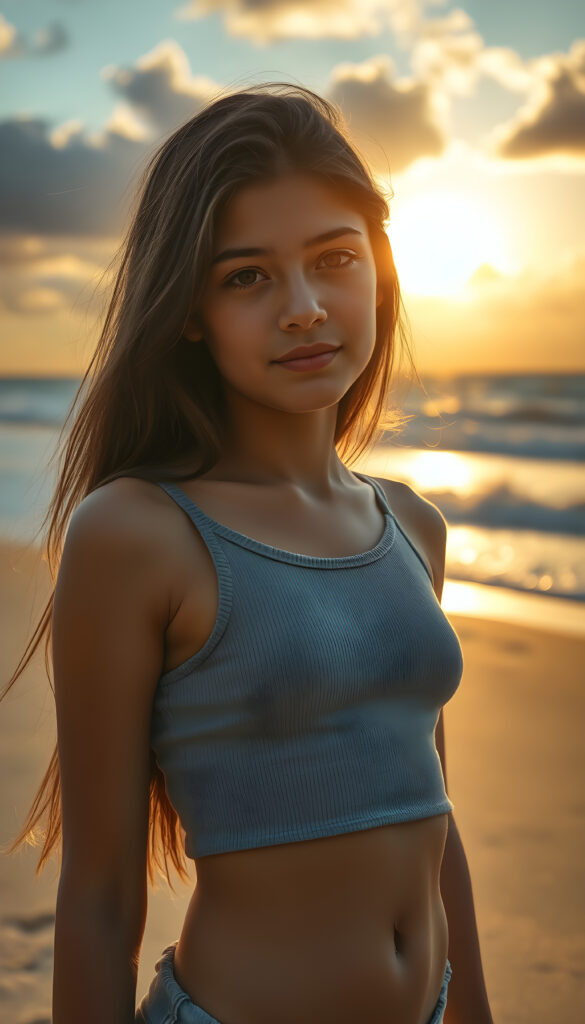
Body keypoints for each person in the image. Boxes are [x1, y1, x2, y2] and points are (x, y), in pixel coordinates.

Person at [2, 83, 493, 1024]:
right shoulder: (137, 534)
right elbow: (100, 896)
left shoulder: (412, 525)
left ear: (380, 270)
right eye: (246, 277)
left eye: (334, 259)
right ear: (189, 310)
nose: (303, 308)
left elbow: (434, 824)